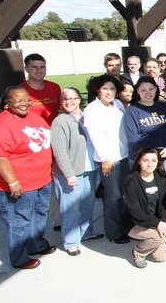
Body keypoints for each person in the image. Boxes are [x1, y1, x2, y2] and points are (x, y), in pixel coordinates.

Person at [0, 86, 53, 269]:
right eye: (18, 101)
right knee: (19, 220)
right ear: (7, 104)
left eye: (26, 100)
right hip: (19, 184)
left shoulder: (33, 117)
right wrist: (13, 182)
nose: (24, 104)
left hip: (41, 180)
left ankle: (36, 244)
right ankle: (19, 258)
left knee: (40, 213)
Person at [51, 87, 101, 256]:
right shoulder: (60, 121)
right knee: (70, 207)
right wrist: (68, 173)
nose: (69, 101)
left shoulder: (87, 116)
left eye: (73, 98)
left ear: (80, 99)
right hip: (71, 172)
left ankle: (87, 232)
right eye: (65, 99)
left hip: (90, 167)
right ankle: (71, 242)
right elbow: (59, 150)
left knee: (88, 203)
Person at [83, 74, 130, 244]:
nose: (109, 92)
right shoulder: (92, 109)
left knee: (124, 194)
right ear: (98, 90)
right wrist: (105, 158)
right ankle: (114, 232)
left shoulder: (117, 104)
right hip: (109, 159)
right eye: (105, 89)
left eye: (112, 89)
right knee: (113, 196)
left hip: (124, 155)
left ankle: (125, 226)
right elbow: (94, 136)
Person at [123, 147, 166, 268]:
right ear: (139, 162)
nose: (150, 164)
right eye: (145, 160)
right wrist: (158, 224)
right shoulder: (131, 181)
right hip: (135, 223)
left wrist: (164, 222)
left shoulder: (162, 178)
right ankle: (139, 252)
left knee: (162, 256)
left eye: (153, 160)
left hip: (155, 222)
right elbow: (135, 211)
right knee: (162, 236)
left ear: (158, 162)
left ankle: (150, 242)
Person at [123, 77, 166, 175]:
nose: (148, 93)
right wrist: (153, 152)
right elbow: (133, 138)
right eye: (143, 90)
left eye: (151, 89)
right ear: (137, 91)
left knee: (165, 187)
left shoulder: (165, 107)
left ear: (156, 89)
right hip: (144, 160)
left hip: (165, 157)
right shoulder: (132, 111)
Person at [20, 53, 61, 124]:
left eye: (42, 67)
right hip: (31, 132)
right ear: (26, 69)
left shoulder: (55, 87)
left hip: (54, 131)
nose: (39, 70)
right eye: (34, 67)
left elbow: (61, 109)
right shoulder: (19, 91)